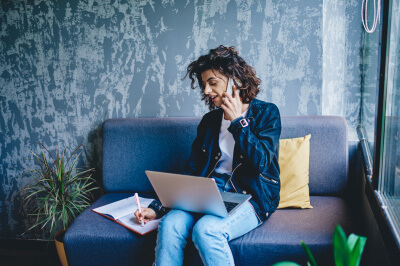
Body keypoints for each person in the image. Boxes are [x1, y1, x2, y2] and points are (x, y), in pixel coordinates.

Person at [134, 45, 281, 266]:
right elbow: (192, 171)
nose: (206, 91)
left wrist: (238, 122)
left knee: (206, 230)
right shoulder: (210, 121)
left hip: (251, 195)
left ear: (235, 80)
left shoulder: (267, 114)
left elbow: (261, 162)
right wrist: (157, 207)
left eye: (212, 83)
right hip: (208, 193)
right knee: (171, 224)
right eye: (204, 85)